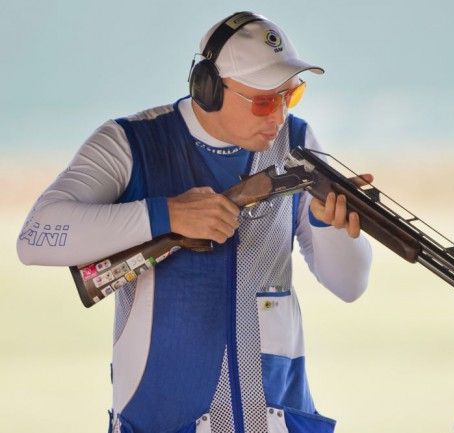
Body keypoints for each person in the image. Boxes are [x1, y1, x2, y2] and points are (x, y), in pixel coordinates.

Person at [16, 11, 372, 433]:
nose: (277, 117)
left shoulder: (298, 141)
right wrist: (167, 214)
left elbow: (349, 285)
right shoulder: (129, 143)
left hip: (278, 420)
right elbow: (35, 238)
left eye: (289, 96)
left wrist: (329, 225)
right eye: (262, 100)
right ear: (209, 90)